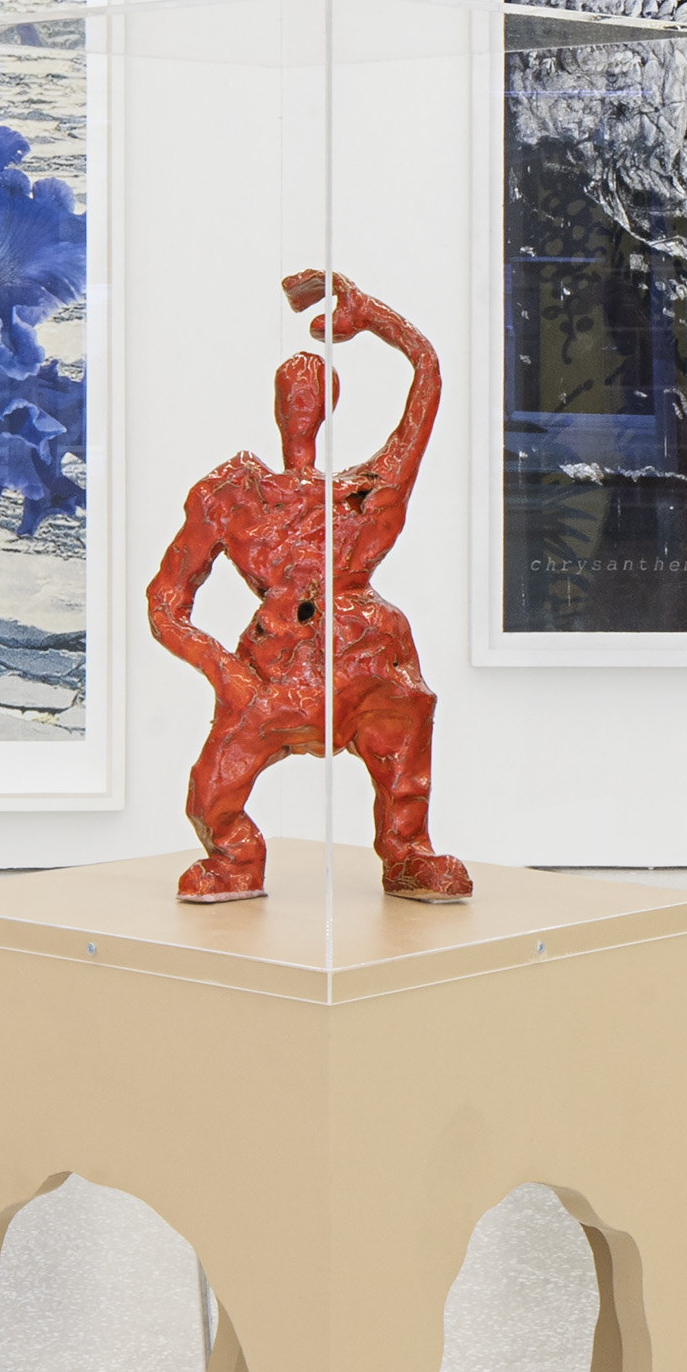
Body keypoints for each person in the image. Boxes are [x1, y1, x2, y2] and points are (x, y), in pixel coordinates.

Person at [145, 269, 471, 904]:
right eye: (291, 392)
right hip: (273, 672)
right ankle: (237, 856)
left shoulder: (366, 491)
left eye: (314, 391)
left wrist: (374, 316)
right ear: (277, 406)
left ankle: (408, 852)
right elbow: (164, 605)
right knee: (211, 795)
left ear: (330, 405)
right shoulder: (229, 495)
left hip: (368, 662)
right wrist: (223, 671)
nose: (302, 401)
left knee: (405, 728)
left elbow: (427, 380)